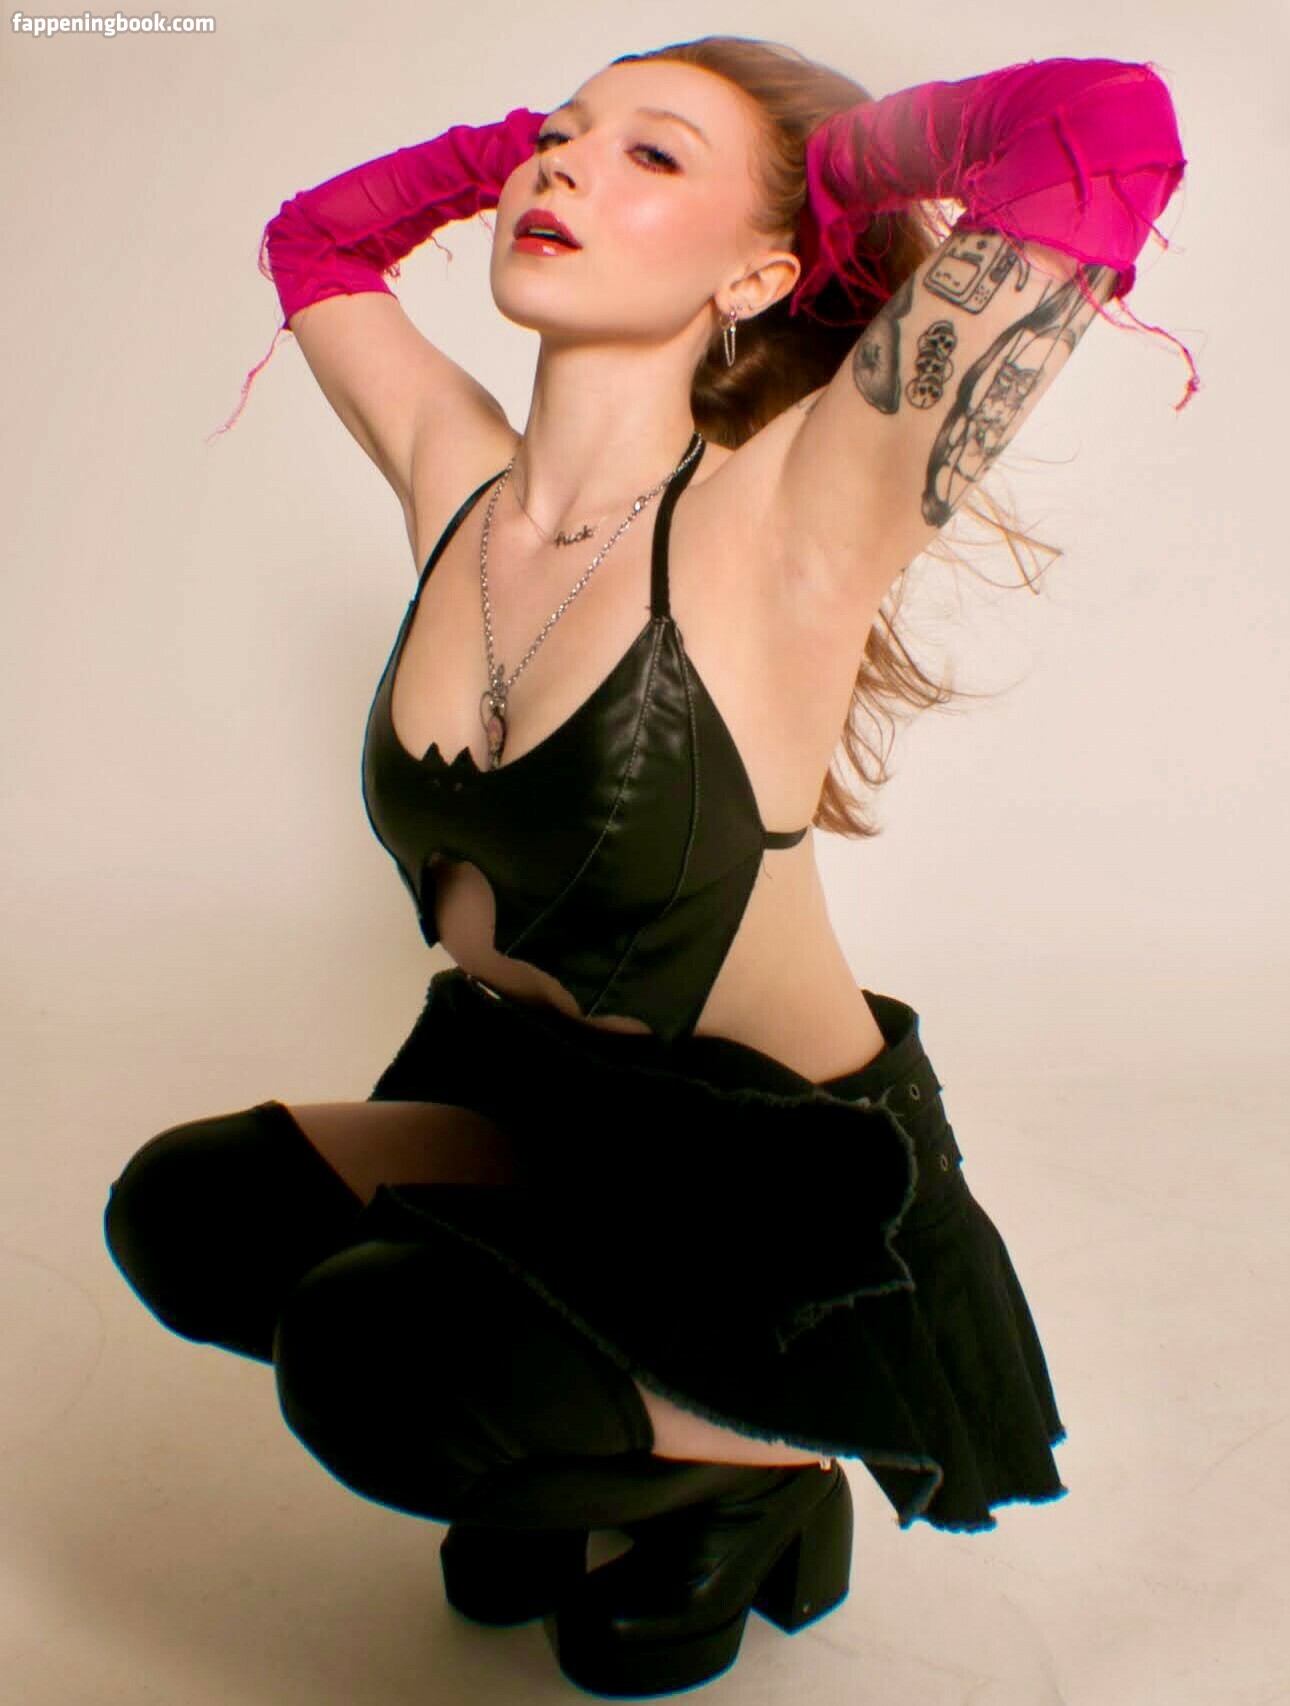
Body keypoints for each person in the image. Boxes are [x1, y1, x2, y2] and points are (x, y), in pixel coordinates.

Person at [106, 35, 1194, 1698]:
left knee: (374, 1357)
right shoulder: (459, 483)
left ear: (758, 271)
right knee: (193, 1213)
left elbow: (1104, 125)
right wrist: (527, 142)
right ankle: (584, 1425)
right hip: (551, 1113)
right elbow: (316, 241)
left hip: (772, 1193)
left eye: (653, 158)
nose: (562, 165)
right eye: (560, 137)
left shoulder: (793, 512)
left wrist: (837, 175)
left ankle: (759, 1473)